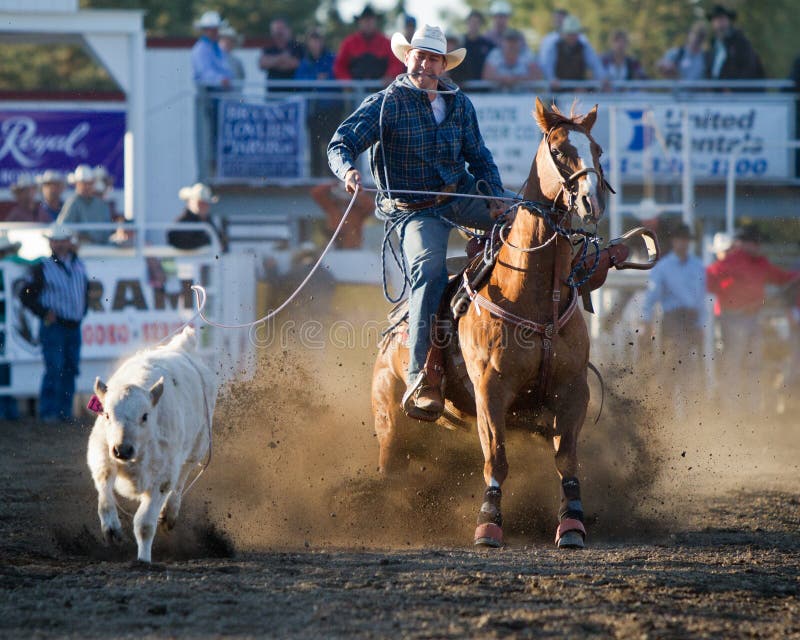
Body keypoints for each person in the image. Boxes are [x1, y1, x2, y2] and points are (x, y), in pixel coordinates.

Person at [328, 24, 507, 417]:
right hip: (415, 210)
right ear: (407, 58)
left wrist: (494, 194)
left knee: (528, 220)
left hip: (458, 195)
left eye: (433, 58)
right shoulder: (386, 103)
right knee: (427, 270)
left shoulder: (460, 105)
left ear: (444, 65)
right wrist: (347, 172)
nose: (425, 63)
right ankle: (420, 376)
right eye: (419, 56)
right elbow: (341, 142)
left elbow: (479, 156)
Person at [706, 224, 799, 414]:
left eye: (758, 243)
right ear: (742, 244)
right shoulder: (732, 261)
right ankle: (733, 410)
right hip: (733, 318)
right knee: (735, 364)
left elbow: (781, 277)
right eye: (754, 242)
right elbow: (709, 280)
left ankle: (751, 409)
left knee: (753, 364)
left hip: (750, 318)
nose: (758, 246)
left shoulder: (760, 264)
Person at [19, 225, 88, 422]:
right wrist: (43, 312)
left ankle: (64, 412)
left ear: (68, 242)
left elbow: (84, 291)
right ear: (50, 243)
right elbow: (25, 294)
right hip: (55, 326)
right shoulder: (42, 266)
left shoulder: (78, 264)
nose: (59, 244)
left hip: (73, 325)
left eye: (62, 240)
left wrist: (81, 312)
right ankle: (49, 412)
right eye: (55, 241)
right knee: (55, 368)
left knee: (70, 368)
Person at [640, 223, 707, 415]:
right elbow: (651, 297)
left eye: (685, 240)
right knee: (674, 362)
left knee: (688, 366)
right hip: (673, 319)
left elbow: (701, 298)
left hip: (691, 320)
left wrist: (701, 324)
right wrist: (646, 321)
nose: (682, 243)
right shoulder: (663, 267)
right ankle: (666, 410)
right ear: (674, 241)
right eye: (679, 239)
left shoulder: (697, 266)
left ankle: (691, 411)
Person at [191, 10, 233, 177]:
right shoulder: (201, 49)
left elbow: (226, 71)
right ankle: (213, 168)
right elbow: (204, 74)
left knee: (219, 134)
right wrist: (220, 80)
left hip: (219, 96)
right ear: (205, 30)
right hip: (210, 95)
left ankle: (218, 167)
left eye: (215, 28)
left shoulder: (216, 49)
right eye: (211, 29)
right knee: (213, 134)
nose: (214, 32)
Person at [295, 28, 340, 177]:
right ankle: (315, 177)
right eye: (312, 40)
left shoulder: (332, 58)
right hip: (313, 110)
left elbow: (336, 77)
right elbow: (298, 81)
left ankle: (333, 177)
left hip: (331, 108)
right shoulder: (305, 61)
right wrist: (316, 79)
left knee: (332, 144)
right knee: (314, 145)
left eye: (318, 39)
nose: (315, 43)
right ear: (308, 42)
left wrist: (317, 81)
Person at [333, 5, 404, 84]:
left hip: (381, 92)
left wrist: (389, 75)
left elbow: (396, 63)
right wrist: (347, 82)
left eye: (370, 20)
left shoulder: (386, 43)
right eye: (365, 20)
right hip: (355, 93)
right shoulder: (349, 43)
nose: (368, 23)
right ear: (359, 22)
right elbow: (340, 66)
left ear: (375, 22)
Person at [540, 15, 607, 89]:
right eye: (570, 33)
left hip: (580, 90)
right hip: (559, 91)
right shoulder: (554, 47)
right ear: (563, 33)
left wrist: (602, 78)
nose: (572, 37)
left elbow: (595, 64)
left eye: (575, 33)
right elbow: (548, 66)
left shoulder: (584, 47)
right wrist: (552, 79)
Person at [705, 4, 764, 82]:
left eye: (722, 18)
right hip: (718, 91)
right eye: (716, 19)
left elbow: (749, 67)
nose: (719, 23)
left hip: (738, 90)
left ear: (728, 20)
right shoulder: (713, 45)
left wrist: (734, 88)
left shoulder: (740, 41)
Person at [310, 181, 375, 249]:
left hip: (353, 247)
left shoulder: (358, 211)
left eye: (346, 194)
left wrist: (356, 191)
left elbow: (371, 206)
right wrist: (334, 183)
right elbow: (316, 192)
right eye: (341, 194)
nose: (343, 198)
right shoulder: (331, 207)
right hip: (333, 246)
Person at [57, 164, 112, 244]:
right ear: (76, 184)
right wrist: (78, 236)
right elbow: (62, 228)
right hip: (80, 248)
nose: (87, 187)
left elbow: (107, 232)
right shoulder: (73, 202)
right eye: (83, 183)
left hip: (101, 248)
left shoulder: (102, 205)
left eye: (89, 183)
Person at [167, 183, 227, 251]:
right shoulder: (183, 222)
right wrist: (207, 243)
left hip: (211, 259)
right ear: (190, 202)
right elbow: (181, 242)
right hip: (187, 260)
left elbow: (220, 243)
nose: (204, 205)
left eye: (206, 203)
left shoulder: (209, 220)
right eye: (200, 202)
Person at [448, 10, 495, 85]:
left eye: (477, 22)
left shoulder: (488, 44)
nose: (474, 25)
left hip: (482, 86)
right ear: (467, 23)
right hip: (461, 85)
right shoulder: (458, 43)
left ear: (481, 24)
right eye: (472, 22)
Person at [259, 17, 304, 84]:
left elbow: (300, 64)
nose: (278, 32)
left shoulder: (297, 46)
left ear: (288, 29)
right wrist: (281, 58)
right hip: (273, 90)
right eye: (276, 29)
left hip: (293, 90)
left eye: (281, 29)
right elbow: (262, 64)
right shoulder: (268, 46)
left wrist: (273, 62)